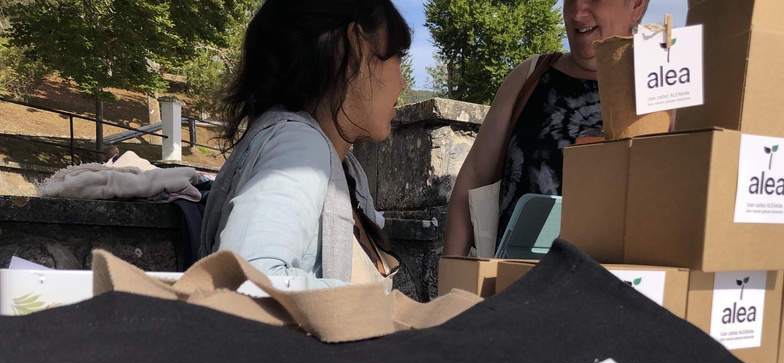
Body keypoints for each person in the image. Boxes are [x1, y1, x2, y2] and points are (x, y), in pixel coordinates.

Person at [199, 0, 410, 288]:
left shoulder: (345, 170)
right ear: (356, 47)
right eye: (397, 57)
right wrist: (383, 306)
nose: (403, 83)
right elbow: (247, 281)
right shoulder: (300, 148)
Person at [443, 0, 651, 256]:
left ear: (636, 5)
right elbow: (474, 177)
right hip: (516, 279)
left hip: (626, 279)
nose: (577, 13)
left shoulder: (668, 88)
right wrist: (452, 272)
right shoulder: (530, 76)